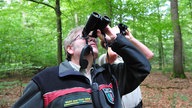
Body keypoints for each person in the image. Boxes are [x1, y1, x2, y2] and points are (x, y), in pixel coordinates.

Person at [12, 23, 151, 108]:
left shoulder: (110, 75)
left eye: (93, 37)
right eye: (84, 36)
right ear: (70, 48)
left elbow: (141, 67)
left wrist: (116, 40)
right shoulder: (45, 81)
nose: (91, 38)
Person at [98, 26, 154, 108]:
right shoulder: (103, 58)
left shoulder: (129, 58)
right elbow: (113, 55)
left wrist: (131, 39)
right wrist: (112, 39)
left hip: (138, 103)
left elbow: (149, 55)